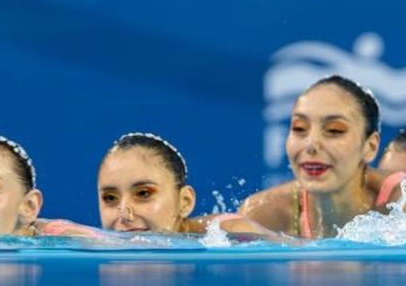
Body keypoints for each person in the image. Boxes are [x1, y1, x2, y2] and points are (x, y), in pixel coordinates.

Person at [239, 75, 405, 238]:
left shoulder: (400, 202)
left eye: (334, 130)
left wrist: (282, 243)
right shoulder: (262, 214)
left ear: (370, 147)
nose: (311, 145)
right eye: (299, 128)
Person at [98, 132, 274, 237]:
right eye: (110, 198)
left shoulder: (233, 234)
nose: (124, 214)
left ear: (185, 202)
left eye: (143, 194)